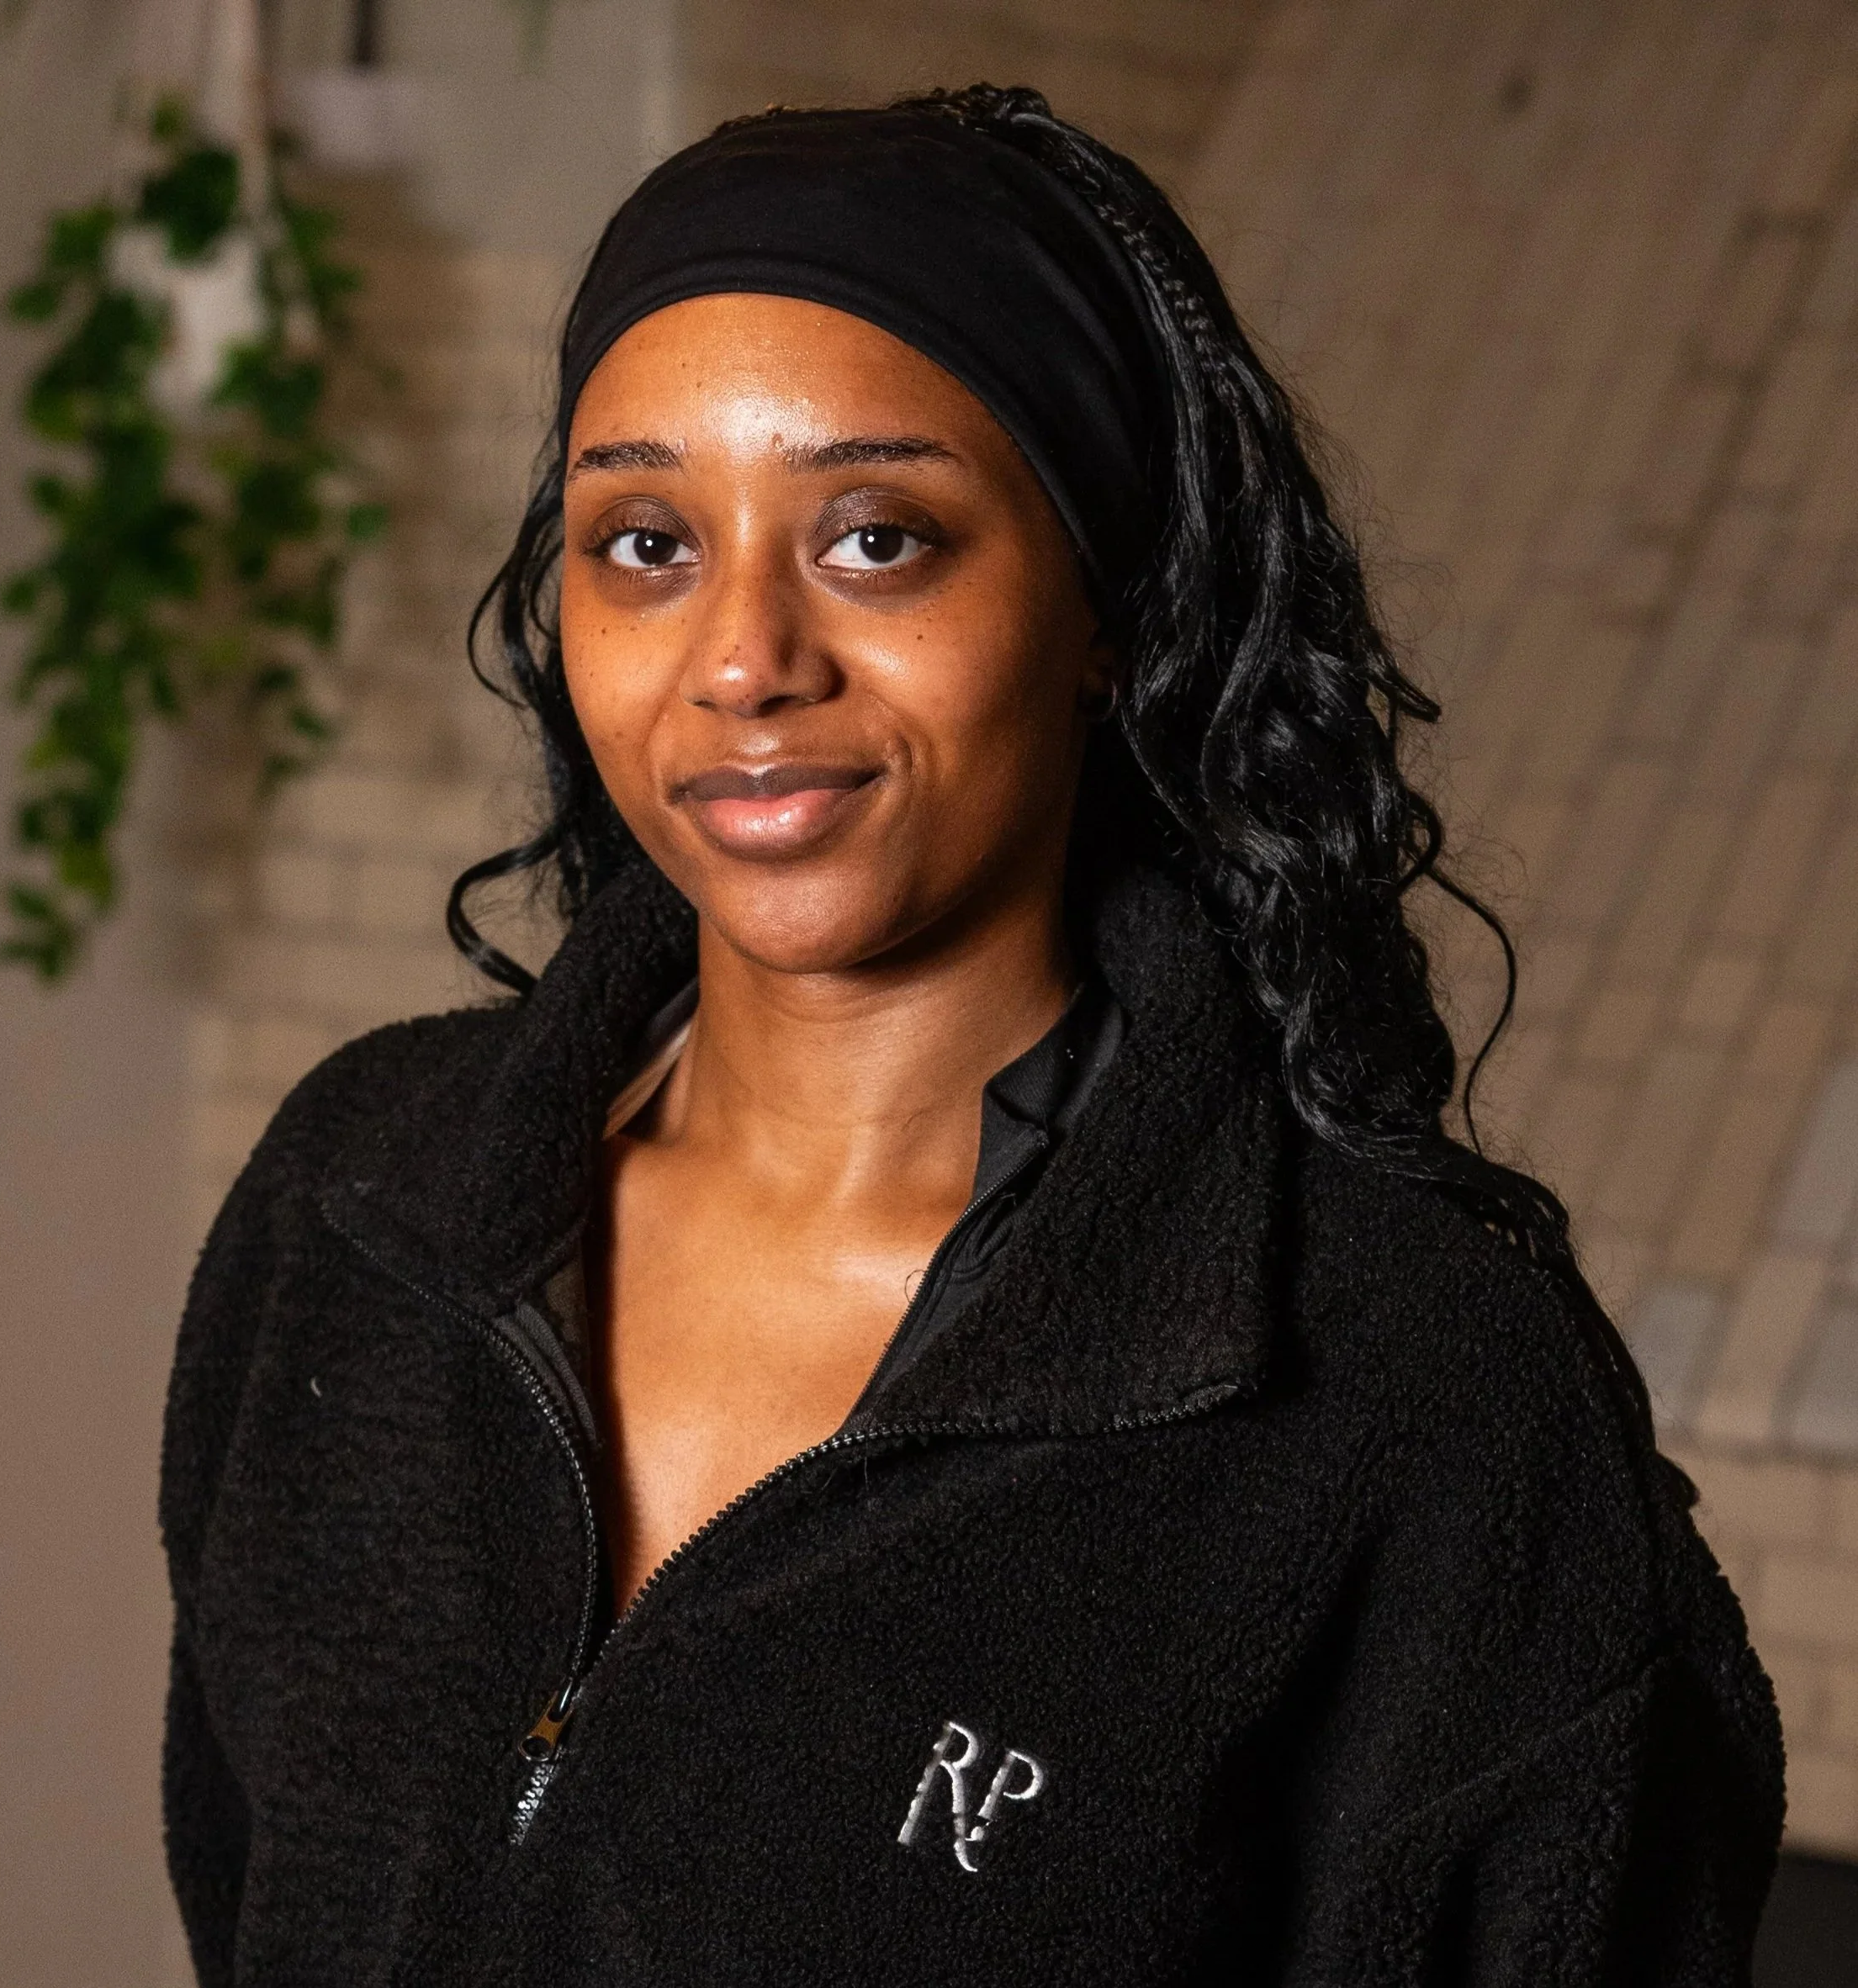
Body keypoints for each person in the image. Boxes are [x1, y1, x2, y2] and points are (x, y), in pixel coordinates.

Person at [161, 86, 1783, 1985]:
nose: (745, 657)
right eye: (644, 544)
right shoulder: (356, 1212)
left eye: (877, 537)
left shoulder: (1419, 1400)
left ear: (1104, 607)